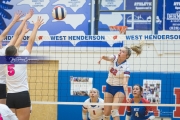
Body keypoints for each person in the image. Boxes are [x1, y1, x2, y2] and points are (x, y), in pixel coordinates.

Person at [5, 16, 43, 120]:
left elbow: (14, 48)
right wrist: (35, 27)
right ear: (16, 53)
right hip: (22, 95)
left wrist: (22, 33)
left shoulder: (4, 63)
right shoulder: (21, 61)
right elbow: (30, 42)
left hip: (10, 97)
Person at [98, 42, 144, 120]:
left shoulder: (126, 67)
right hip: (109, 86)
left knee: (114, 110)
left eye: (122, 52)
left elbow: (125, 82)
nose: (120, 52)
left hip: (119, 89)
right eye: (120, 50)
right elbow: (109, 58)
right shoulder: (114, 58)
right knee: (106, 113)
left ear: (127, 56)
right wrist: (103, 57)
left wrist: (127, 96)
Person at [0, 10, 31, 104]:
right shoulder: (4, 53)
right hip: (2, 84)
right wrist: (24, 19)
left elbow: (4, 36)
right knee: (2, 112)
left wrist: (21, 32)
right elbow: (15, 36)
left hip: (5, 86)